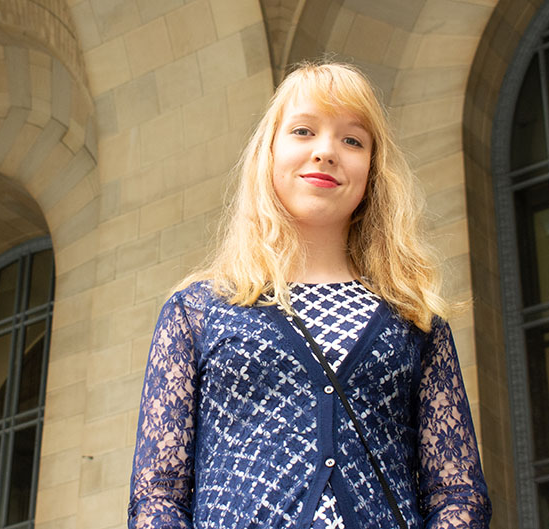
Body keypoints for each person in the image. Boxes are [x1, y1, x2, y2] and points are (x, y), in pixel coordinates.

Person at [127, 61, 491, 529]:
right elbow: (158, 494)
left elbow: (457, 492)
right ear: (269, 153)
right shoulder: (196, 312)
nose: (326, 152)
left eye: (352, 140)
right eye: (303, 131)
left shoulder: (414, 319)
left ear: (372, 171)